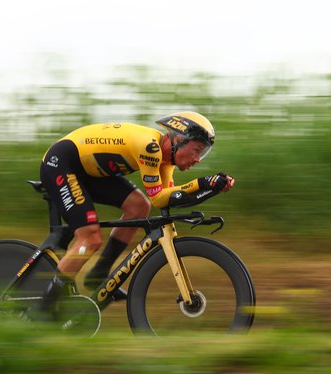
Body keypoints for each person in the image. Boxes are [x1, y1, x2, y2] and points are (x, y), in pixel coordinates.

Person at [34, 111, 234, 318]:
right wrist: (203, 183)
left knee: (139, 207)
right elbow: (159, 198)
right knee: (90, 238)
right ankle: (43, 308)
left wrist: (212, 187)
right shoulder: (150, 148)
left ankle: (99, 273)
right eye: (197, 151)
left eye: (202, 154)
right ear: (180, 140)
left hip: (87, 170)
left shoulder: (166, 162)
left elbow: (169, 200)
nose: (198, 160)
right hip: (62, 163)